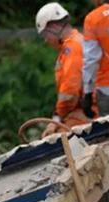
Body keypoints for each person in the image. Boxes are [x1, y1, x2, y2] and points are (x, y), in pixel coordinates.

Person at [35, 3, 90, 136]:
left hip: (86, 111)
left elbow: (69, 93)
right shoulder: (77, 42)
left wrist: (55, 120)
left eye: (45, 35)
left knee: (55, 144)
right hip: (84, 107)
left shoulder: (72, 48)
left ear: (53, 27)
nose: (46, 40)